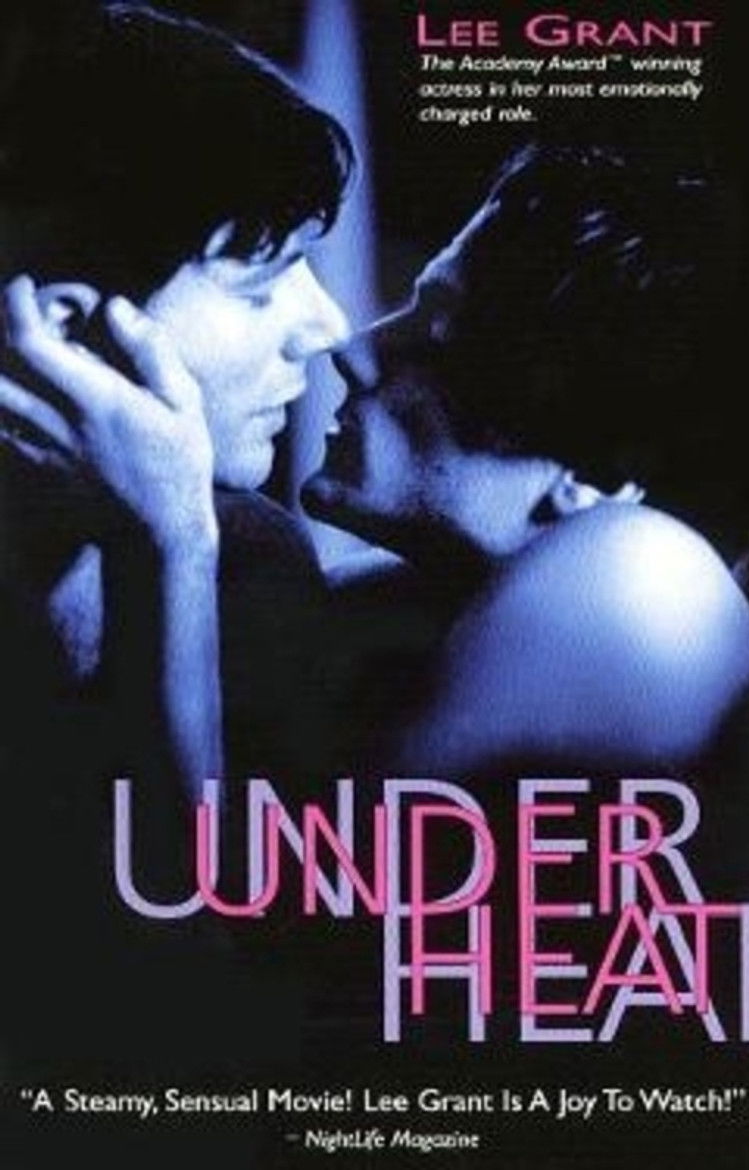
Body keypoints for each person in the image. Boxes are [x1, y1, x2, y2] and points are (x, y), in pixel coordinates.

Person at [0, 2, 350, 1081]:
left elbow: (219, 1026)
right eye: (260, 283)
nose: (328, 326)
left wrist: (179, 550)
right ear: (68, 332)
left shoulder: (251, 561)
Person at [303, 144, 749, 778]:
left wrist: (183, 549)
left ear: (595, 475)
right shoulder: (423, 595)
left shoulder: (643, 571)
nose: (351, 352)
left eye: (437, 335)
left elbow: (335, 842)